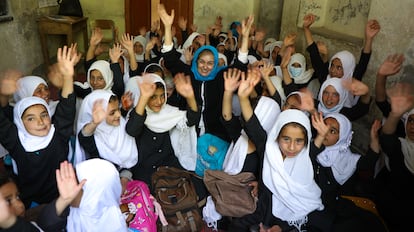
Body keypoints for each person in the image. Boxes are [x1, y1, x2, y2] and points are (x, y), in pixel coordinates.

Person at [159, 4, 252, 142]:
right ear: (195, 61)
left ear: (215, 64)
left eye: (210, 63)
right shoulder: (187, 74)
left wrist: (244, 38)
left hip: (216, 133)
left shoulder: (221, 77)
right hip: (188, 132)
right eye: (201, 62)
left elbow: (240, 66)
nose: (205, 67)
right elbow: (170, 58)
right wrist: (167, 28)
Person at [0, 46, 78, 208]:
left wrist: (68, 76)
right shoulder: (16, 140)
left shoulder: (57, 135)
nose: (41, 122)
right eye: (31, 118)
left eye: (44, 115)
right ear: (21, 124)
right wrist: (3, 94)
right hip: (30, 203)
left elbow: (67, 108)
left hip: (61, 199)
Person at [229, 109, 333, 232]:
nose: (292, 147)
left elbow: (302, 210)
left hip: (290, 221)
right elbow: (254, 127)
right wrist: (243, 98)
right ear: (276, 136)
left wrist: (282, 228)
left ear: (306, 142)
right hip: (262, 213)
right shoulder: (268, 153)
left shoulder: (305, 160)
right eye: (286, 139)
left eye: (299, 141)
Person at [310, 112, 387, 232]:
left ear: (342, 137)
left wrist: (374, 137)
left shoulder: (346, 159)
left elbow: (369, 162)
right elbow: (310, 155)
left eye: (333, 131)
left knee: (369, 223)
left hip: (334, 206)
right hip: (311, 206)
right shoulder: (310, 147)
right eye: (324, 127)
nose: (325, 133)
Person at [125, 73, 199, 187]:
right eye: (153, 97)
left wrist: (190, 97)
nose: (159, 101)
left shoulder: (170, 112)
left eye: (162, 95)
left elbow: (191, 120)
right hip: (144, 171)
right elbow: (132, 130)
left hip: (169, 168)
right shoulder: (137, 113)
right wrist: (144, 97)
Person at [303, 13, 380, 107]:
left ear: (348, 69)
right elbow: (314, 54)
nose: (333, 71)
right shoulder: (325, 77)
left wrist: (369, 39)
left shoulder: (351, 82)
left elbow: (364, 61)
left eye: (339, 67)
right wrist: (306, 28)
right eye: (332, 66)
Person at [373, 83, 414, 231]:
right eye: (411, 120)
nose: (413, 126)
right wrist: (395, 114)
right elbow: (387, 140)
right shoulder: (401, 146)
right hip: (393, 211)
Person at [74, 89, 138, 171]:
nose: (119, 115)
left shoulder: (120, 123)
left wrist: (125, 175)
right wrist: (95, 123)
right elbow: (84, 136)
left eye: (118, 109)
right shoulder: (94, 137)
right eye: (112, 113)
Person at [66, 158, 128, 231]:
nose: (67, 186)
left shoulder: (115, 227)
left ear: (92, 195)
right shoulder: (65, 207)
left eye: (76, 184)